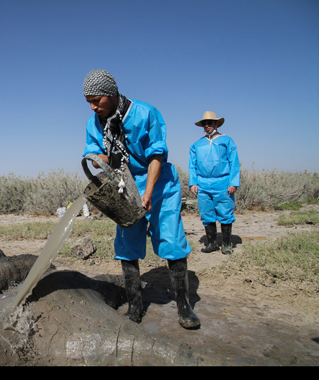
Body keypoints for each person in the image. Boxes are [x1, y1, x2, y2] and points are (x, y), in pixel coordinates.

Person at [82, 69, 200, 329]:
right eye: (88, 101)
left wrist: (147, 194)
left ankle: (184, 305)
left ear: (111, 93)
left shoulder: (145, 113)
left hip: (159, 184)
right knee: (127, 243)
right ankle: (135, 307)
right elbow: (94, 153)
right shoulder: (95, 123)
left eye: (97, 100)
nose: (92, 107)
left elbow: (156, 155)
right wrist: (106, 161)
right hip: (126, 184)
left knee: (171, 240)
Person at [189, 111, 240, 255]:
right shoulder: (196, 145)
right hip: (203, 184)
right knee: (206, 213)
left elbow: (234, 162)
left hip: (223, 182)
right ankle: (212, 243)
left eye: (210, 123)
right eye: (204, 124)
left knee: (225, 213)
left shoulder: (227, 141)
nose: (207, 126)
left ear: (216, 124)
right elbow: (192, 165)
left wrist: (233, 182)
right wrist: (193, 182)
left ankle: (226, 244)